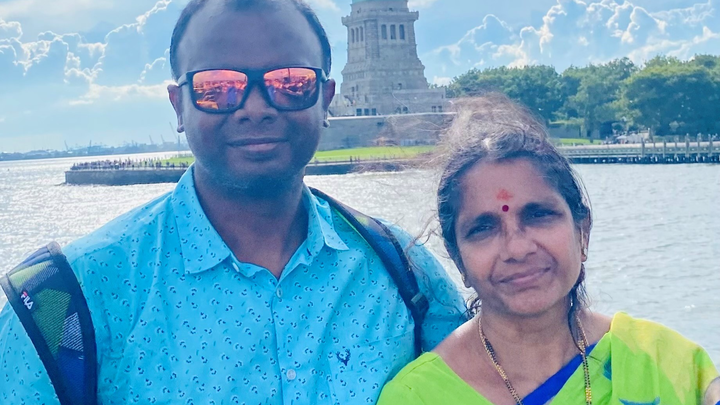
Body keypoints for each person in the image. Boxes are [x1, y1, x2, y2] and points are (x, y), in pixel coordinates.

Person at [0, 1, 466, 404]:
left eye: (290, 83)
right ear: (178, 106)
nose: (255, 107)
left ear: (325, 99)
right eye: (217, 88)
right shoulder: (62, 299)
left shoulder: (407, 272)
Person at [377, 95, 720, 405]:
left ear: (582, 232)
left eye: (538, 215)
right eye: (483, 228)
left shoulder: (667, 364)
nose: (517, 248)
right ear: (458, 260)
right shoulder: (417, 396)